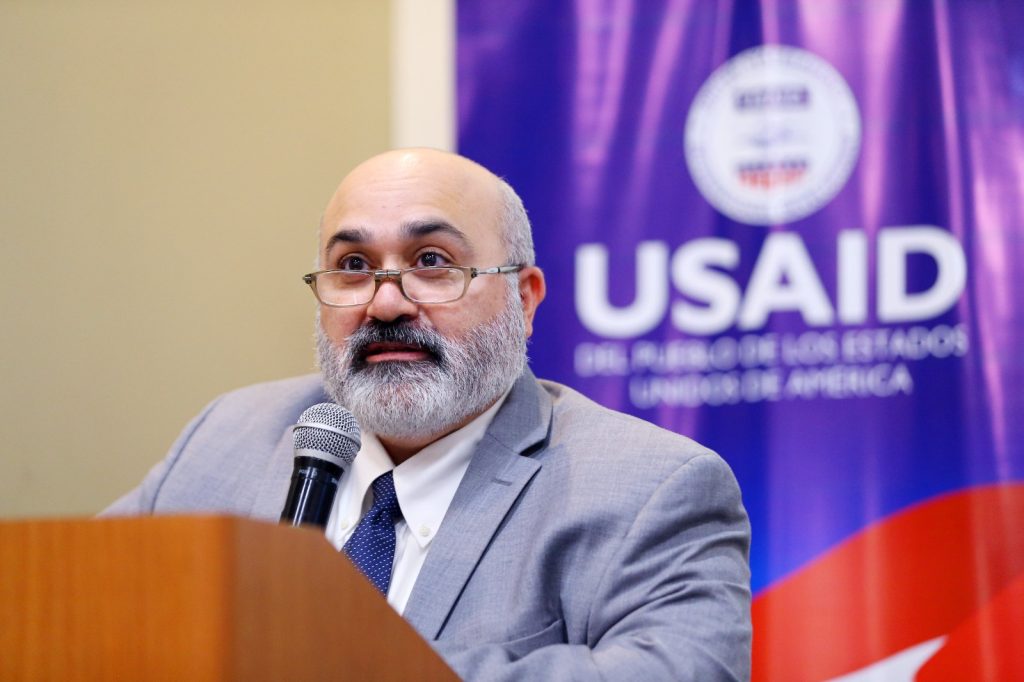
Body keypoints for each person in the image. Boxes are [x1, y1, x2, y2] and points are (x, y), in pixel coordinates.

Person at [105, 149, 752, 680]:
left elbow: (681, 671)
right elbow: (73, 614)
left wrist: (347, 664)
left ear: (524, 299)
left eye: (432, 262)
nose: (385, 304)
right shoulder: (225, 439)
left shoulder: (651, 487)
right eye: (353, 266)